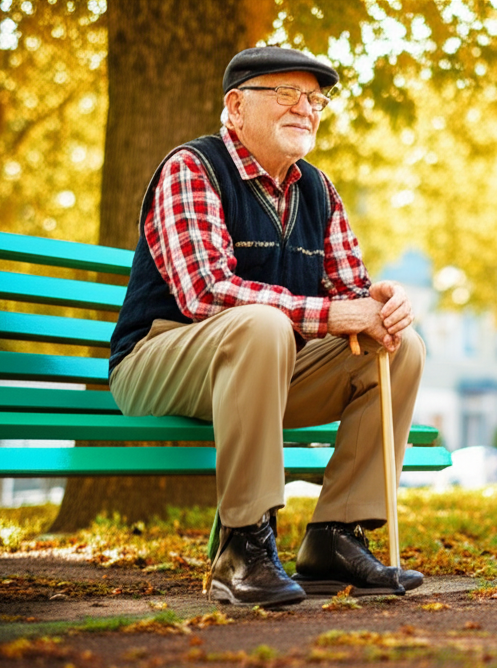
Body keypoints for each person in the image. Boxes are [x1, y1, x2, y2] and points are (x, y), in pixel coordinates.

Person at [107, 47, 426, 607]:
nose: (305, 108)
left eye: (315, 98)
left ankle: (335, 538)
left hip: (265, 371)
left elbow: (349, 296)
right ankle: (243, 548)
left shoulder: (318, 191)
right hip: (159, 361)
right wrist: (329, 313)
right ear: (235, 107)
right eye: (285, 93)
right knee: (261, 324)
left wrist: (381, 305)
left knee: (398, 349)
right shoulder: (192, 167)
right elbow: (206, 293)